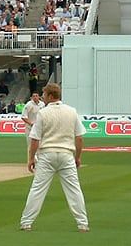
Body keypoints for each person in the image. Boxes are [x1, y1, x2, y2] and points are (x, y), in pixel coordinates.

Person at [19, 83, 89, 232]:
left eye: (44, 95)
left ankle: (26, 222)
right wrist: (78, 157)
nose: (43, 98)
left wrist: (31, 159)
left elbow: (35, 139)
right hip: (66, 154)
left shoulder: (43, 113)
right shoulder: (71, 111)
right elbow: (79, 138)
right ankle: (82, 223)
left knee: (37, 189)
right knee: (74, 190)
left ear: (51, 96)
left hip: (47, 155)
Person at [21, 92, 45, 163]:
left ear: (39, 97)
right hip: (30, 128)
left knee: (40, 144)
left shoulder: (42, 104)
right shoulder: (28, 105)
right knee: (31, 145)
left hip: (40, 127)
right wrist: (31, 123)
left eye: (36, 96)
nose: (35, 97)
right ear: (31, 97)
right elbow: (23, 117)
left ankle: (40, 161)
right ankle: (31, 161)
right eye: (33, 96)